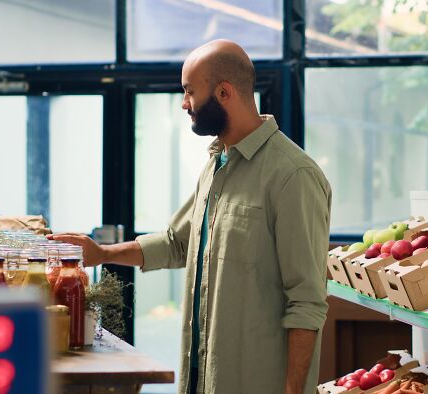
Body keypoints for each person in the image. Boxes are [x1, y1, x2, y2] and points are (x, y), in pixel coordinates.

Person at [49, 40, 332, 394]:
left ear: (224, 92)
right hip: (201, 379)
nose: (184, 103)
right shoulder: (216, 165)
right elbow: (176, 242)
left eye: (189, 92)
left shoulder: (293, 175)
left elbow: (306, 300)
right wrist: (103, 255)